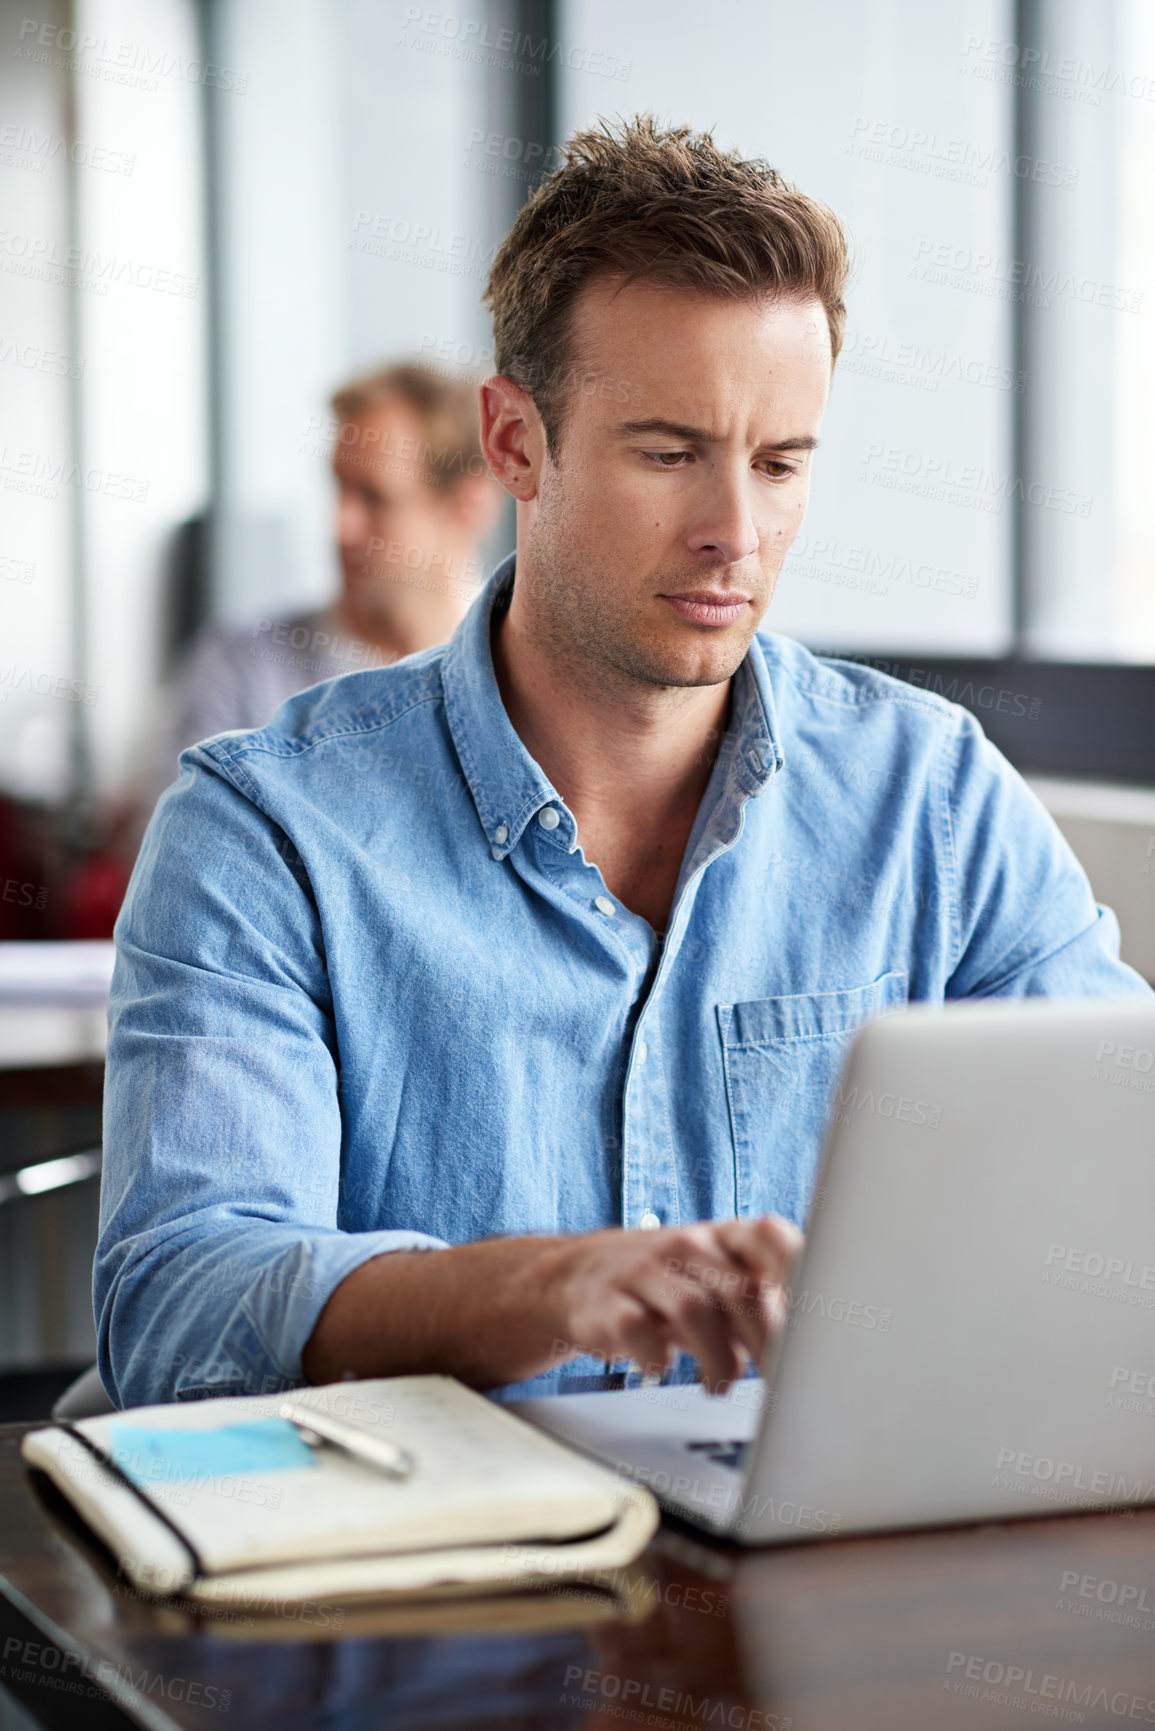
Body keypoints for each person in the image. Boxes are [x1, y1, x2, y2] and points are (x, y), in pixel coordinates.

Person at [96, 117, 1152, 1413]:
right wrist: (545, 1288)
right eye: (667, 454)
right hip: (438, 1574)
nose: (733, 533)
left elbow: (1118, 1175)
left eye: (778, 464)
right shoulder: (265, 828)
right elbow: (182, 1303)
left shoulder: (926, 795)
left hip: (809, 1552)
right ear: (510, 442)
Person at [164, 362, 501, 752]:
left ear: (467, 507)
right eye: (339, 488)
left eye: (374, 498)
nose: (341, 529)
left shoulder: (515, 682)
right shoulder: (241, 672)